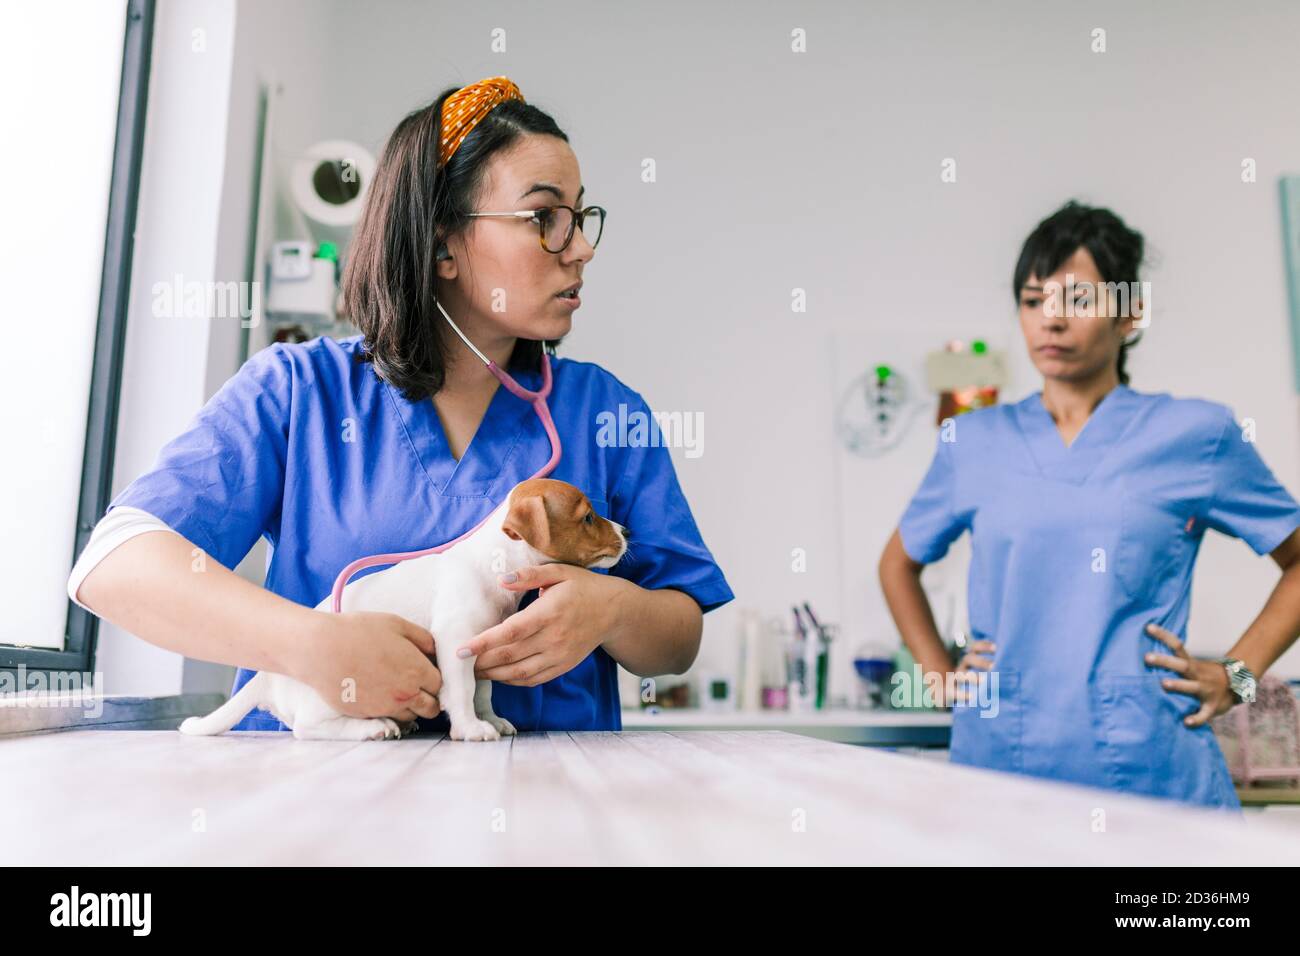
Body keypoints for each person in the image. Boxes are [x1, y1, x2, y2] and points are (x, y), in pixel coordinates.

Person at [70, 76, 733, 732]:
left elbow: (677, 640)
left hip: (543, 814)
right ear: (442, 241)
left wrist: (612, 611)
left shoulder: (605, 413)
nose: (582, 248)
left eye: (581, 217)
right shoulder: (299, 391)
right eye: (545, 218)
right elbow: (115, 566)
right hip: (320, 808)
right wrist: (313, 643)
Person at [878, 201, 1300, 809]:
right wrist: (938, 675)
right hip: (1000, 767)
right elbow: (897, 565)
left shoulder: (1196, 435)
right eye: (1031, 300)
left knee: (1180, 910)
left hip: (1155, 769)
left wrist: (1237, 676)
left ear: (1130, 315)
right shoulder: (972, 442)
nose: (1049, 321)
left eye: (1076, 301)